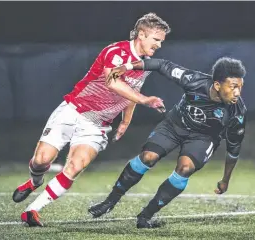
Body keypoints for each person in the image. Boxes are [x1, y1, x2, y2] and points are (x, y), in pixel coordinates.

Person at [12, 12, 171, 227]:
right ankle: (34, 182)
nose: (159, 45)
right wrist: (145, 100)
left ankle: (32, 211)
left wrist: (125, 121)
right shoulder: (116, 51)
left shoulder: (145, 65)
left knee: (75, 166)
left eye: (161, 41)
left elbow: (131, 92)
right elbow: (113, 82)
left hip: (97, 125)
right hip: (73, 110)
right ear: (141, 34)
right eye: (156, 39)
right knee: (41, 160)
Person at [88, 57, 247, 228]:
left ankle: (145, 216)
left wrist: (225, 180)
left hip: (203, 138)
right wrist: (126, 67)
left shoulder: (237, 112)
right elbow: (161, 65)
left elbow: (233, 149)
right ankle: (109, 202)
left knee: (185, 169)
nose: (238, 93)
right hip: (174, 125)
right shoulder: (193, 80)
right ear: (217, 85)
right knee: (148, 157)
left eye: (240, 87)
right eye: (233, 87)